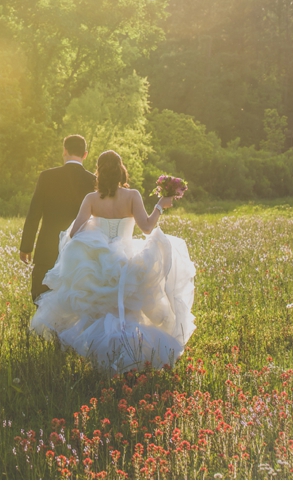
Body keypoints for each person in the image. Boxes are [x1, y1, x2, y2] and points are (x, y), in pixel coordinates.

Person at [30, 150, 195, 372]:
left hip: (97, 264)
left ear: (99, 172)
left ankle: (102, 359)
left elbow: (73, 233)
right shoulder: (132, 195)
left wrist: (93, 233)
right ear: (121, 170)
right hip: (127, 263)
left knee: (99, 312)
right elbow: (147, 228)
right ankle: (130, 358)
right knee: (127, 313)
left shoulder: (91, 199)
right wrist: (159, 207)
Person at [20, 134, 96, 303]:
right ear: (85, 154)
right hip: (80, 247)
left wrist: (26, 246)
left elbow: (34, 214)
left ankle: (43, 327)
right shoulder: (93, 181)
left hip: (48, 244)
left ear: (64, 151)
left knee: (42, 291)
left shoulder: (47, 177)